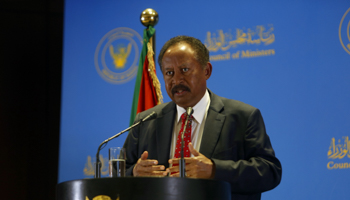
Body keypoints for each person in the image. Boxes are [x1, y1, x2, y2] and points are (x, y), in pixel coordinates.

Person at [123, 36, 282, 200]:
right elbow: (121, 173)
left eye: (184, 70)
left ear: (206, 71)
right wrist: (134, 173)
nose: (176, 80)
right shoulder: (147, 120)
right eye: (169, 73)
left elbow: (270, 171)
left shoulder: (242, 116)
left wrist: (214, 170)